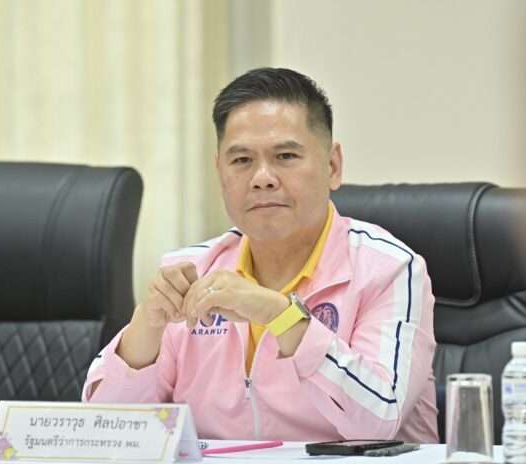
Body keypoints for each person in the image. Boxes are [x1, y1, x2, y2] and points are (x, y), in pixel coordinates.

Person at [83, 68, 438, 443]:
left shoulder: (389, 269)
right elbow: (106, 432)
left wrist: (280, 315)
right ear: (219, 171)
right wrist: (147, 326)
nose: (262, 177)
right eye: (241, 161)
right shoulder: (192, 271)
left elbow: (378, 419)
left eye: (285, 156)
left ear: (333, 166)